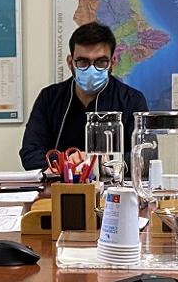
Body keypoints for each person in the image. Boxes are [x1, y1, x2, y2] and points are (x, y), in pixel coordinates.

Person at [19, 22, 148, 171]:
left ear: (112, 63)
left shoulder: (131, 100)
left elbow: (144, 155)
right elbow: (30, 154)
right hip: (59, 188)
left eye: (101, 62)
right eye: (82, 62)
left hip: (112, 187)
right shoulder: (49, 98)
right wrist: (67, 161)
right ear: (70, 63)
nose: (92, 69)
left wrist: (95, 161)